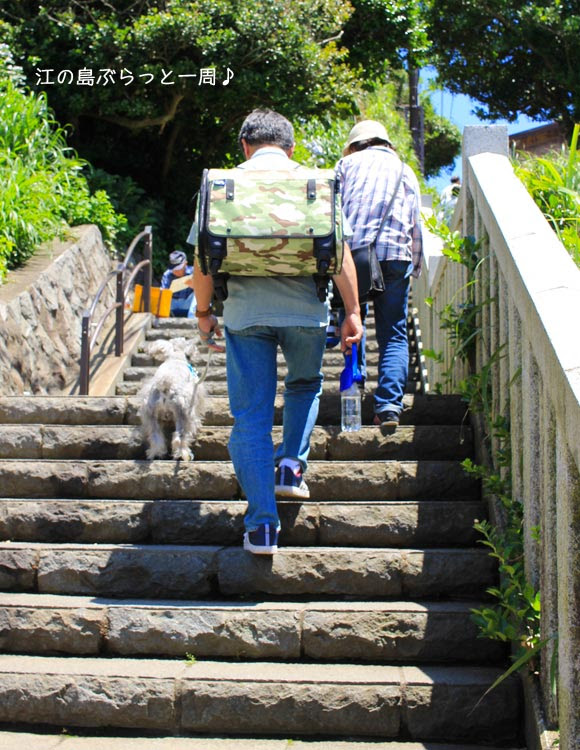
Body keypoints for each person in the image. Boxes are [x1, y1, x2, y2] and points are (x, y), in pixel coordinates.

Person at [192, 108, 363, 555]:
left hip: (246, 315)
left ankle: (262, 527)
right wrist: (354, 312)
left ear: (245, 147)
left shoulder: (222, 185)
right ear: (290, 148)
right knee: (304, 384)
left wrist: (205, 312)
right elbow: (340, 253)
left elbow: (202, 258)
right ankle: (291, 467)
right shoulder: (313, 183)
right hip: (307, 312)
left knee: (250, 418)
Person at [335, 119, 423, 429]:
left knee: (352, 320)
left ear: (356, 144)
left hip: (352, 257)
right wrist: (415, 265)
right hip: (396, 255)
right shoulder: (406, 170)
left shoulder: (346, 164)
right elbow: (415, 223)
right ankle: (388, 407)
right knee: (394, 334)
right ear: (386, 143)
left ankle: (353, 393)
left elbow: (331, 213)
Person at [160, 250, 196, 317]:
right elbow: (163, 292)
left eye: (179, 268)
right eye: (174, 269)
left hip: (188, 303)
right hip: (172, 304)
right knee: (161, 295)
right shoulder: (168, 274)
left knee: (199, 293)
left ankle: (192, 318)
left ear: (185, 264)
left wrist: (195, 286)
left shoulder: (193, 272)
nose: (176, 271)